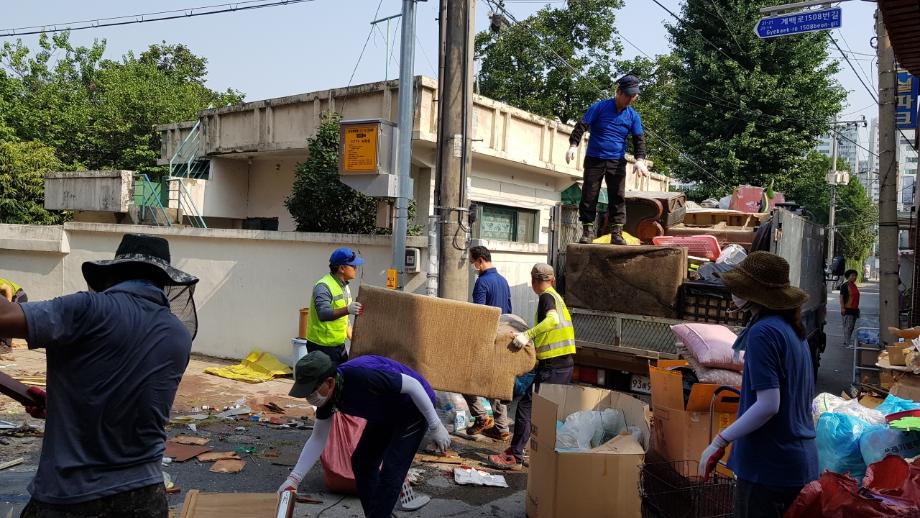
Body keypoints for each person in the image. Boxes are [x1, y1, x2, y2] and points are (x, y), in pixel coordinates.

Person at [0, 233, 198, 518]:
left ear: (112, 275)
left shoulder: (85, 309)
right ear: (163, 283)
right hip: (146, 497)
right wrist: (60, 405)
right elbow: (131, 400)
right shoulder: (179, 335)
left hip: (71, 498)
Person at [699, 252, 818, 518]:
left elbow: (768, 404)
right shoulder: (791, 330)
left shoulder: (763, 332)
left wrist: (720, 440)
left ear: (756, 294)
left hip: (768, 468)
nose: (732, 292)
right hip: (798, 464)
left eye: (739, 286)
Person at [279, 352, 450, 518]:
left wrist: (436, 425)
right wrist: (294, 479)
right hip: (385, 411)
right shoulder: (326, 399)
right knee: (362, 462)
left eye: (311, 391)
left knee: (392, 470)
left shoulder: (361, 376)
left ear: (329, 382)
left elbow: (413, 386)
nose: (310, 398)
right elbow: (318, 438)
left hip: (413, 406)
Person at [488, 263, 575, 470]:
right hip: (562, 364)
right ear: (552, 279)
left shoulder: (546, 297)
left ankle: (516, 456)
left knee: (526, 408)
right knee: (544, 412)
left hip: (553, 365)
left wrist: (526, 335)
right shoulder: (556, 297)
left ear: (534, 281)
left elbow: (552, 321)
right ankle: (531, 451)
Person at [566, 75, 649, 245]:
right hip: (595, 159)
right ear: (618, 92)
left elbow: (638, 139)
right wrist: (573, 144)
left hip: (616, 161)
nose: (629, 99)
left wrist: (640, 159)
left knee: (617, 197)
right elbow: (581, 125)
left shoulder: (633, 116)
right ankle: (587, 231)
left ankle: (617, 233)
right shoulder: (599, 107)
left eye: (633, 96)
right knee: (589, 195)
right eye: (627, 95)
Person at [464, 245, 513, 441]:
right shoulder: (503, 281)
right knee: (497, 383)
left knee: (464, 379)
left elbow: (480, 315)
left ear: (480, 261)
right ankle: (501, 427)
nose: (473, 266)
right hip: (501, 338)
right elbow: (508, 311)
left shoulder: (482, 282)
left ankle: (481, 417)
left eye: (473, 262)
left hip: (485, 339)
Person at [307, 247, 364, 365]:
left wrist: (356, 341)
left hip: (338, 346)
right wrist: (348, 309)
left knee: (340, 380)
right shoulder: (323, 286)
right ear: (342, 268)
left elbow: (344, 320)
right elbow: (323, 314)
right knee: (326, 382)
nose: (356, 269)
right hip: (321, 348)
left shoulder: (344, 286)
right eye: (353, 266)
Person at [0, 277, 27, 354]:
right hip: (6, 297)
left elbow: (7, 289)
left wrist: (8, 306)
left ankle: (6, 346)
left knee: (7, 318)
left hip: (18, 295)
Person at [839, 269, 860, 348]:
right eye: (852, 276)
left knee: (851, 327)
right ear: (848, 277)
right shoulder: (845, 285)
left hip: (854, 310)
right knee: (848, 327)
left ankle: (846, 342)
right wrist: (842, 308)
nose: (854, 277)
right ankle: (847, 343)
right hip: (847, 309)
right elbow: (841, 297)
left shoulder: (854, 285)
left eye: (855, 276)